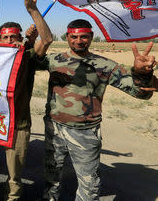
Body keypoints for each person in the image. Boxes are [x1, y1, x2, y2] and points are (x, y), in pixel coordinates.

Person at [37, 19, 155, 201]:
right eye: (74, 36)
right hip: (54, 129)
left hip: (85, 133)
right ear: (67, 37)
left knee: (89, 186)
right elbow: (25, 63)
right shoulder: (54, 59)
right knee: (51, 179)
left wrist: (142, 73)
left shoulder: (105, 65)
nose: (78, 41)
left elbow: (141, 93)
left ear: (91, 36)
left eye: (84, 36)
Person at [0, 0, 53, 201]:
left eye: (13, 37)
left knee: (15, 175)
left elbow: (46, 39)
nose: (9, 41)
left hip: (19, 123)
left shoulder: (27, 57)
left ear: (19, 38)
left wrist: (32, 9)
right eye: (5, 38)